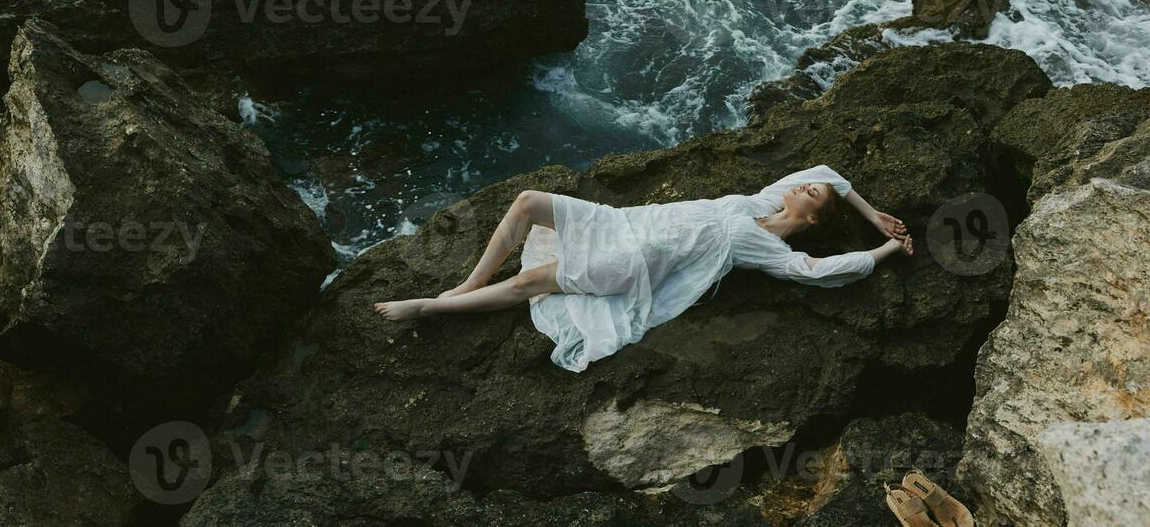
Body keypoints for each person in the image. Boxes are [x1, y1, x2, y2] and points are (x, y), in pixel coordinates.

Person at [372, 165, 913, 371]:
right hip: (622, 222)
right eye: (802, 185)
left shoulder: (769, 248)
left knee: (529, 282)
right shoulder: (759, 201)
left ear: (812, 218)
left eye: (808, 194)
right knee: (530, 200)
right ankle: (469, 281)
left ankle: (435, 307)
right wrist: (874, 216)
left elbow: (820, 271)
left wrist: (887, 250)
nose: (802, 185)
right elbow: (831, 172)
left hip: (634, 259)